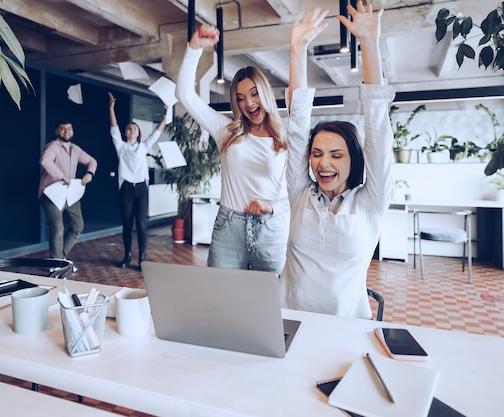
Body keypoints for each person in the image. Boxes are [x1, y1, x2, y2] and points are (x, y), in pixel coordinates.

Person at [281, 2, 395, 319]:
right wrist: (297, 48)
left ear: (352, 159)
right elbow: (298, 122)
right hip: (287, 320)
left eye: (336, 155)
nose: (323, 163)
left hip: (347, 328)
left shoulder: (371, 202)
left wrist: (369, 43)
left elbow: (378, 129)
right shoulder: (299, 192)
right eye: (316, 154)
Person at [176, 24, 289, 275]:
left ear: (265, 94)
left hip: (271, 230)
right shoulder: (226, 131)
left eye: (254, 93)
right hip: (229, 228)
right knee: (221, 300)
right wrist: (194, 50)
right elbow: (184, 95)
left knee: (269, 304)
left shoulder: (285, 140)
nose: (248, 103)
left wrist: (273, 206)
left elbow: (297, 194)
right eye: (240, 97)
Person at [108, 92, 167, 268]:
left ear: (138, 133)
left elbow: (156, 133)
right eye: (129, 128)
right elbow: (114, 129)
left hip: (141, 188)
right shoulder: (121, 146)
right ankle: (127, 257)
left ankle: (142, 258)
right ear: (126, 132)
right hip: (126, 188)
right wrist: (111, 108)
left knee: (141, 224)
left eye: (134, 128)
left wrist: (165, 116)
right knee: (127, 225)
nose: (131, 129)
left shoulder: (143, 146)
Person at [38, 120, 98, 262]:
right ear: (57, 131)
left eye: (69, 128)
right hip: (51, 194)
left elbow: (92, 161)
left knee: (77, 227)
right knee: (58, 229)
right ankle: (57, 264)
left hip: (70, 194)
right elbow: (45, 161)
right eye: (63, 129)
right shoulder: (53, 146)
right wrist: (62, 176)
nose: (66, 131)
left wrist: (89, 174)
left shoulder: (75, 149)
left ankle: (60, 259)